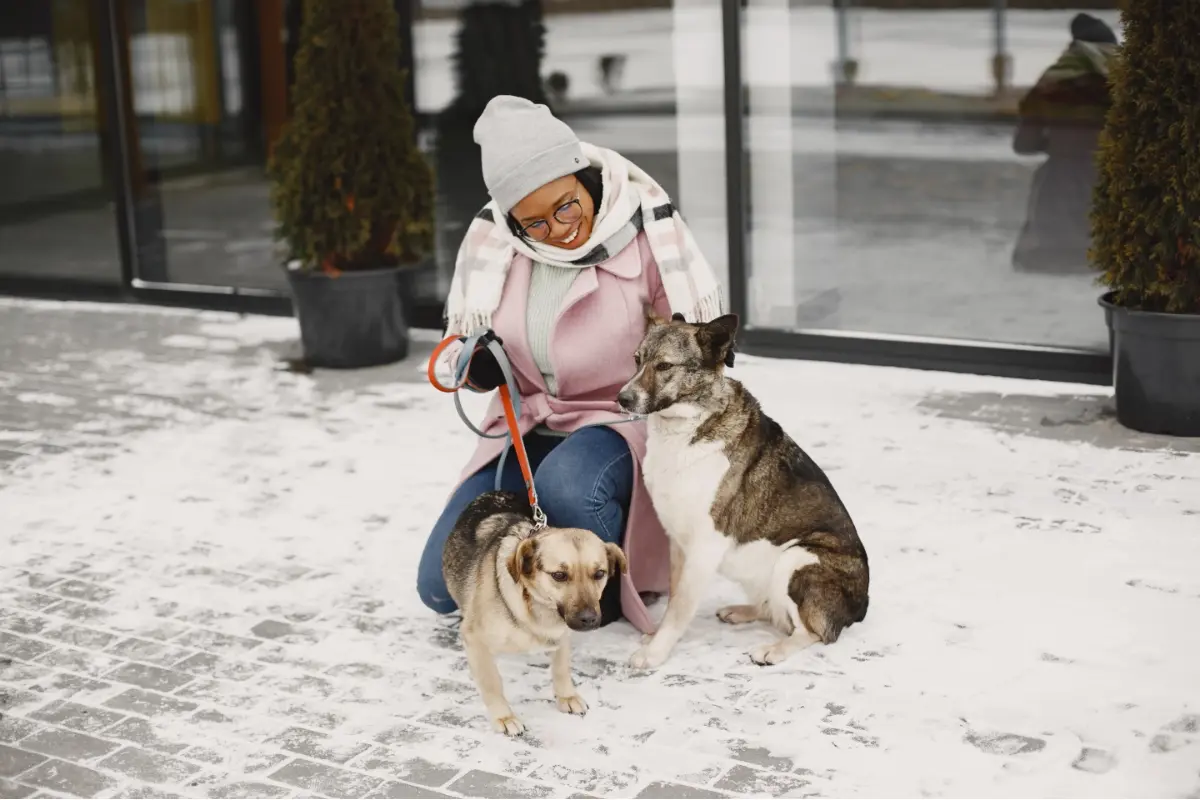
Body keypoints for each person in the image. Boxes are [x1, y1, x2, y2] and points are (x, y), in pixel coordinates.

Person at [417, 95, 724, 633]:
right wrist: (480, 362)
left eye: (565, 207)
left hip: (621, 419)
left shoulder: (648, 237)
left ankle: (609, 576)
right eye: (532, 222)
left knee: (568, 484)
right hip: (531, 419)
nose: (557, 229)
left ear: (583, 178)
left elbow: (698, 350)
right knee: (441, 586)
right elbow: (471, 337)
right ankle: (553, 546)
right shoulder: (498, 249)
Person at [1011, 13, 1119, 273]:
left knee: (1047, 266)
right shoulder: (1133, 83)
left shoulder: (1054, 81)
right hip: (1118, 185)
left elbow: (1023, 143)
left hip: (1059, 188)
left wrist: (1061, 143)